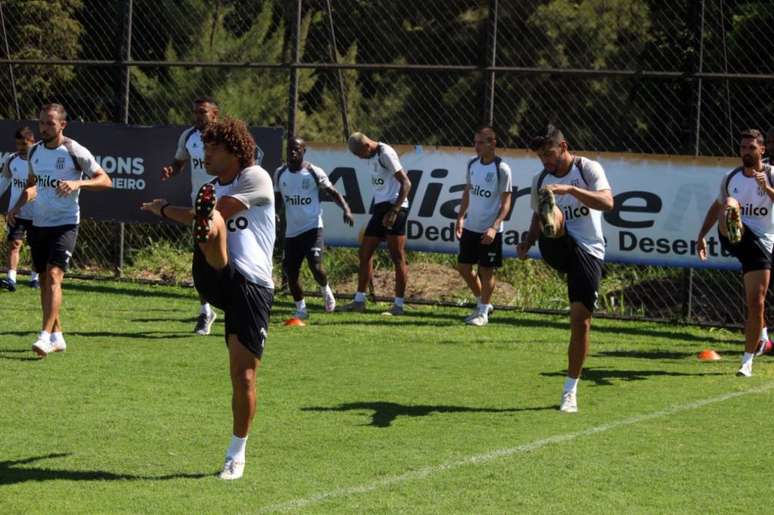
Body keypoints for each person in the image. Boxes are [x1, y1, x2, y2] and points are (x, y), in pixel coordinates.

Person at [142, 117, 274, 481]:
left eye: (212, 148)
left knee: (243, 376)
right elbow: (206, 212)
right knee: (209, 217)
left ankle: (237, 453)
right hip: (215, 273)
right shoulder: (212, 186)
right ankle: (207, 231)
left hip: (251, 285)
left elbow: (224, 212)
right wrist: (172, 210)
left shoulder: (256, 178)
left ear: (233, 150)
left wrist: (167, 210)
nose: (205, 155)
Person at [517, 125, 613, 413]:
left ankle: (570, 390)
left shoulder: (587, 169)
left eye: (549, 154)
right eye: (541, 156)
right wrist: (528, 240)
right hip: (556, 244)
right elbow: (535, 215)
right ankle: (553, 217)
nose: (545, 161)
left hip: (588, 251)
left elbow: (608, 202)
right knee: (551, 211)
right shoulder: (541, 179)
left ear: (564, 146)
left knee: (580, 320)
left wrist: (571, 189)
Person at [7, 103, 112, 356]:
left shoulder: (74, 150)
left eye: (49, 123)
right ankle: (57, 335)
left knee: (54, 276)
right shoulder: (34, 153)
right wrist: (16, 207)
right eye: (41, 123)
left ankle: (44, 336)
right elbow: (33, 186)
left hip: (65, 223)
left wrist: (78, 182)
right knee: (44, 281)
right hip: (39, 223)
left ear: (62, 125)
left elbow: (105, 180)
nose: (43, 128)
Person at [697, 129, 774, 377]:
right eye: (743, 148)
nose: (746, 152)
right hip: (735, 235)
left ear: (762, 150)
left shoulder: (772, 175)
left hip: (761, 244)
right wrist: (701, 236)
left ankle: (748, 359)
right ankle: (734, 227)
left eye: (751, 148)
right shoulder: (731, 177)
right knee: (729, 203)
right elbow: (716, 205)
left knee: (756, 303)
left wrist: (768, 189)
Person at [274, 137, 354, 319]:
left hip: (313, 228)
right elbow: (278, 198)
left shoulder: (313, 172)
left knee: (315, 267)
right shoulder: (280, 173)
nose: (292, 152)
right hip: (292, 232)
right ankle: (301, 309)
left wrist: (346, 210)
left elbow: (333, 192)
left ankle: (325, 291)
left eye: (297, 149)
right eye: (290, 149)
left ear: (304, 151)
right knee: (290, 272)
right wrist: (276, 214)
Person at [161, 96, 220, 336]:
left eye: (202, 112)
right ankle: (205, 311)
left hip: (227, 202)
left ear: (214, 114)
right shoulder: (188, 137)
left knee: (233, 257)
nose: (197, 116)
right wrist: (171, 170)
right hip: (201, 206)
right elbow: (179, 163)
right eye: (195, 112)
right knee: (201, 260)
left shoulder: (225, 137)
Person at [340, 132, 412, 315]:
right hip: (380, 208)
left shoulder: (385, 153)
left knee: (397, 257)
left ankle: (398, 305)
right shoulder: (371, 154)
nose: (360, 158)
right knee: (365, 252)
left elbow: (406, 183)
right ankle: (359, 301)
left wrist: (395, 211)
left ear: (367, 146)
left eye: (360, 154)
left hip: (395, 208)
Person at [455, 126, 512, 326]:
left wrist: (494, 227)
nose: (476, 146)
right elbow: (468, 192)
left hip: (490, 229)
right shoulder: (472, 163)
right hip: (471, 226)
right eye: (475, 142)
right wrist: (460, 217)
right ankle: (483, 303)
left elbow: (506, 203)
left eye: (481, 142)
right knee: (463, 267)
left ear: (493, 143)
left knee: (486, 271)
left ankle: (483, 314)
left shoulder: (501, 168)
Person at [0, 126, 39, 291]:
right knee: (15, 243)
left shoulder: (40, 161)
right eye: (18, 144)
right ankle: (11, 279)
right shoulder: (11, 159)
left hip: (38, 212)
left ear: (33, 142)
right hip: (16, 212)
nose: (21, 147)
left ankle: (34, 279)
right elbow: (4, 181)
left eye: (24, 144)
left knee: (37, 246)